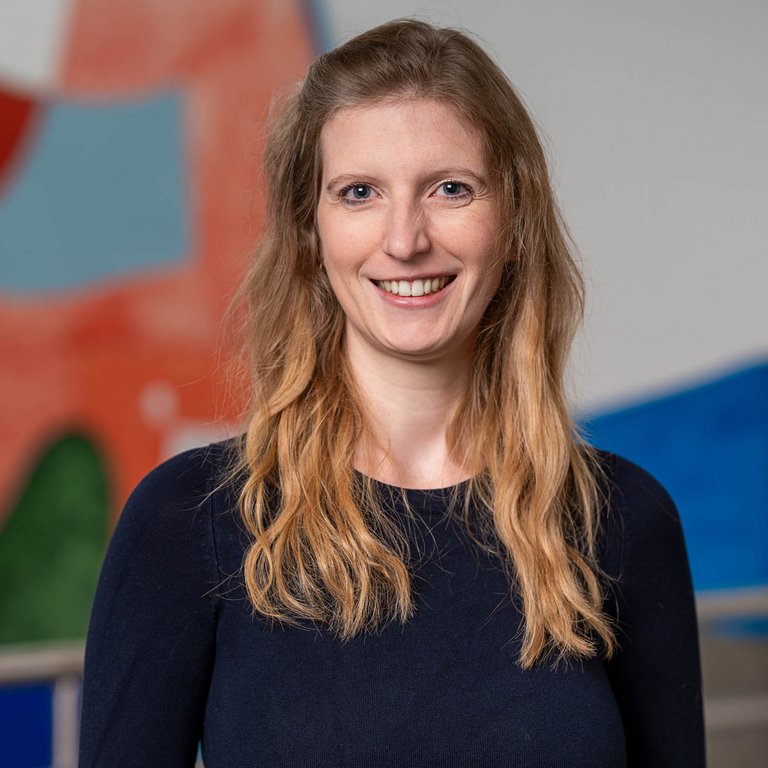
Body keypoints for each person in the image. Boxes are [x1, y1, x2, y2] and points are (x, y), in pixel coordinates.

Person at [79, 19, 705, 767]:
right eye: (359, 193)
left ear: (514, 220)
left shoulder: (624, 520)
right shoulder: (189, 521)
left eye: (450, 189)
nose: (405, 239)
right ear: (309, 231)